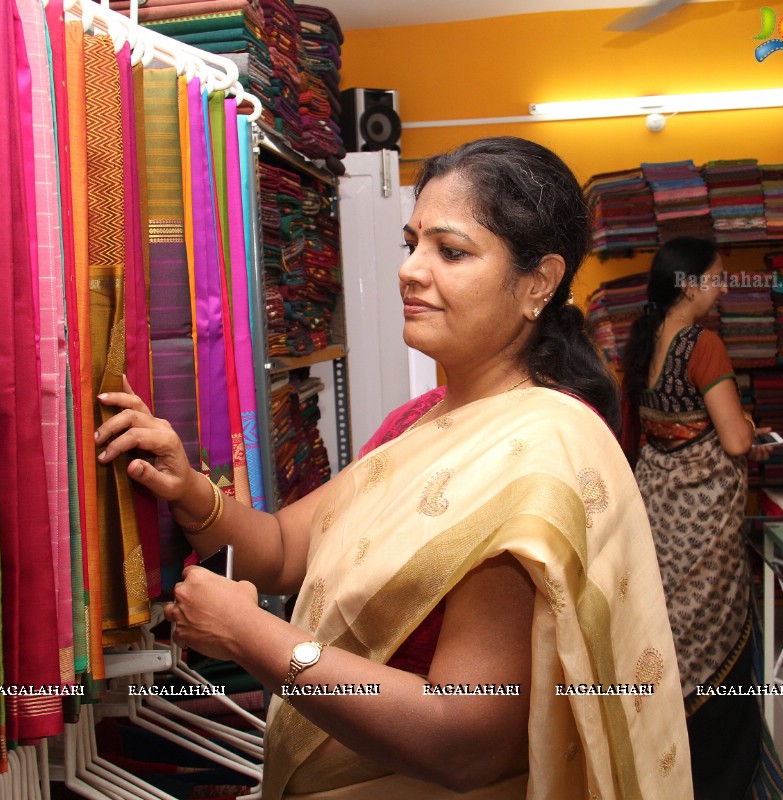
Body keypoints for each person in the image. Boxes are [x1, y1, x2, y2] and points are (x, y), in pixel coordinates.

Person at [95, 136, 693, 799]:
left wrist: (248, 634)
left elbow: (464, 741)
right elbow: (287, 548)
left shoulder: (537, 459)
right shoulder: (418, 421)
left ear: (539, 283)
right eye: (412, 244)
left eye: (451, 251)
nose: (411, 269)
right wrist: (190, 490)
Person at [620, 237, 783, 800]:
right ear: (689, 285)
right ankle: (719, 779)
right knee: (712, 636)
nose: (721, 288)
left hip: (658, 507)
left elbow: (659, 426)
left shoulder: (644, 341)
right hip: (702, 517)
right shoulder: (703, 343)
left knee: (665, 626)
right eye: (717, 279)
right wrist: (746, 431)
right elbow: (736, 440)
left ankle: (661, 766)